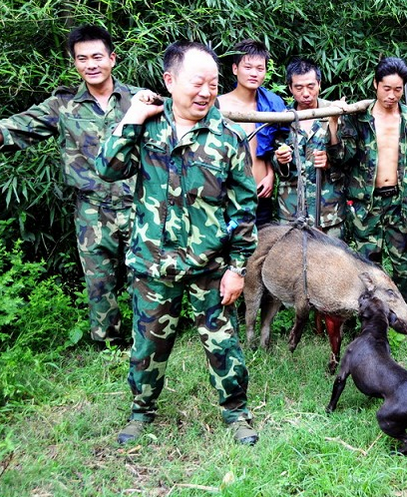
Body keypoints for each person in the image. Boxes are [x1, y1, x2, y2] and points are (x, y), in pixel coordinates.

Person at [96, 41, 259, 445]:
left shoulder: (227, 137)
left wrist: (237, 269)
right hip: (153, 265)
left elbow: (243, 207)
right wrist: (132, 115)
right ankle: (140, 413)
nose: (206, 92)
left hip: (209, 267)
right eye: (196, 82)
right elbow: (107, 168)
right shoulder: (146, 124)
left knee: (223, 345)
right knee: (147, 344)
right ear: (170, 81)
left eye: (213, 84)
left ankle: (237, 415)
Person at [0, 25, 142, 347]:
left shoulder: (139, 100)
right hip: (91, 209)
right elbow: (17, 127)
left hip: (137, 205)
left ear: (112, 58)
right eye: (82, 59)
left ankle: (146, 343)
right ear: (74, 63)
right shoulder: (62, 106)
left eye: (97, 57)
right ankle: (107, 346)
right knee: (98, 283)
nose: (90, 64)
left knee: (143, 280)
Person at [328, 57, 407, 307]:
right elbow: (341, 157)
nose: (392, 95)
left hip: (400, 201)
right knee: (366, 259)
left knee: (403, 260)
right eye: (387, 88)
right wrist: (333, 124)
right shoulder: (359, 118)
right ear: (375, 84)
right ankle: (369, 309)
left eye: (397, 89)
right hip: (366, 203)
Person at [273, 57, 346, 238]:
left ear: (319, 84)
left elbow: (350, 159)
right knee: (291, 264)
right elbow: (271, 161)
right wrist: (281, 161)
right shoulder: (281, 118)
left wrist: (329, 161)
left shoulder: (335, 111)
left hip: (327, 212)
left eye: (311, 86)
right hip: (291, 211)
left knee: (331, 264)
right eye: (298, 88)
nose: (305, 93)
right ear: (290, 88)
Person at [218, 38, 287, 226]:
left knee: (260, 251)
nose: (254, 73)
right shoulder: (218, 105)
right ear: (235, 69)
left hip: (261, 193)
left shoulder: (273, 104)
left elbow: (278, 146)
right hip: (227, 194)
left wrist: (271, 175)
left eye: (260, 68)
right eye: (248, 67)